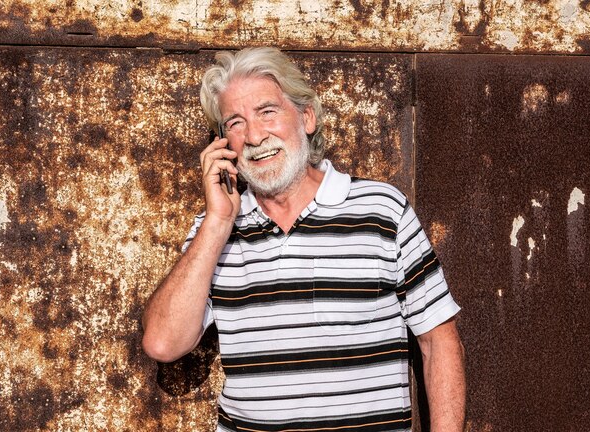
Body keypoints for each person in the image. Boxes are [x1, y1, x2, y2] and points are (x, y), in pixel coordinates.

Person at [142, 47, 465, 432]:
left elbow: (438, 343)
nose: (256, 136)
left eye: (267, 112)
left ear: (307, 117)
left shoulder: (382, 211)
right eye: (235, 123)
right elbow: (163, 343)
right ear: (222, 143)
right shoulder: (214, 231)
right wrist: (217, 222)